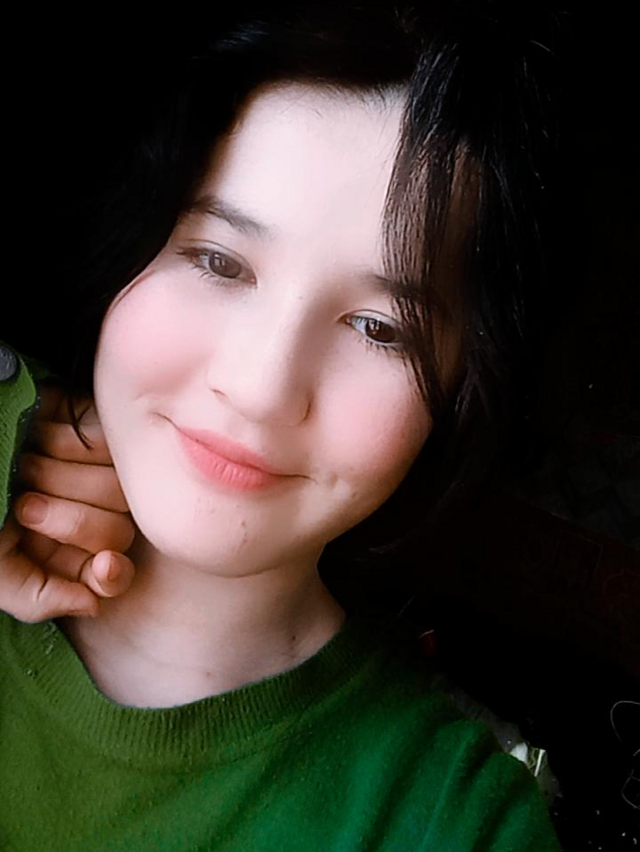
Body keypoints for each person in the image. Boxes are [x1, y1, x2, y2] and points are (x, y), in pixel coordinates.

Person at [0, 3, 564, 849]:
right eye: (219, 261)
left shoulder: (453, 824)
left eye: (378, 329)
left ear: (463, 390)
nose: (262, 389)